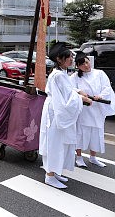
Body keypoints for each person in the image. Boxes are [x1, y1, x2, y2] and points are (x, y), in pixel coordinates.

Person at [39, 42, 92, 189]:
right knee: (54, 143)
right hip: (56, 111)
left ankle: (54, 172)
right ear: (59, 59)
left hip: (57, 108)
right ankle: (49, 176)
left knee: (58, 142)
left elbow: (67, 91)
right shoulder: (58, 75)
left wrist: (78, 92)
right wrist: (82, 99)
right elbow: (67, 96)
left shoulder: (61, 73)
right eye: (69, 57)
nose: (72, 59)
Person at [71, 52, 115, 168]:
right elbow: (69, 88)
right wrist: (80, 92)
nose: (86, 65)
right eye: (82, 64)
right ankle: (79, 157)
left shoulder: (99, 73)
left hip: (97, 108)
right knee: (80, 132)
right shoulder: (75, 76)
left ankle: (93, 157)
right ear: (78, 66)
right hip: (84, 109)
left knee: (96, 132)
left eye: (87, 62)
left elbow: (107, 87)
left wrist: (100, 96)